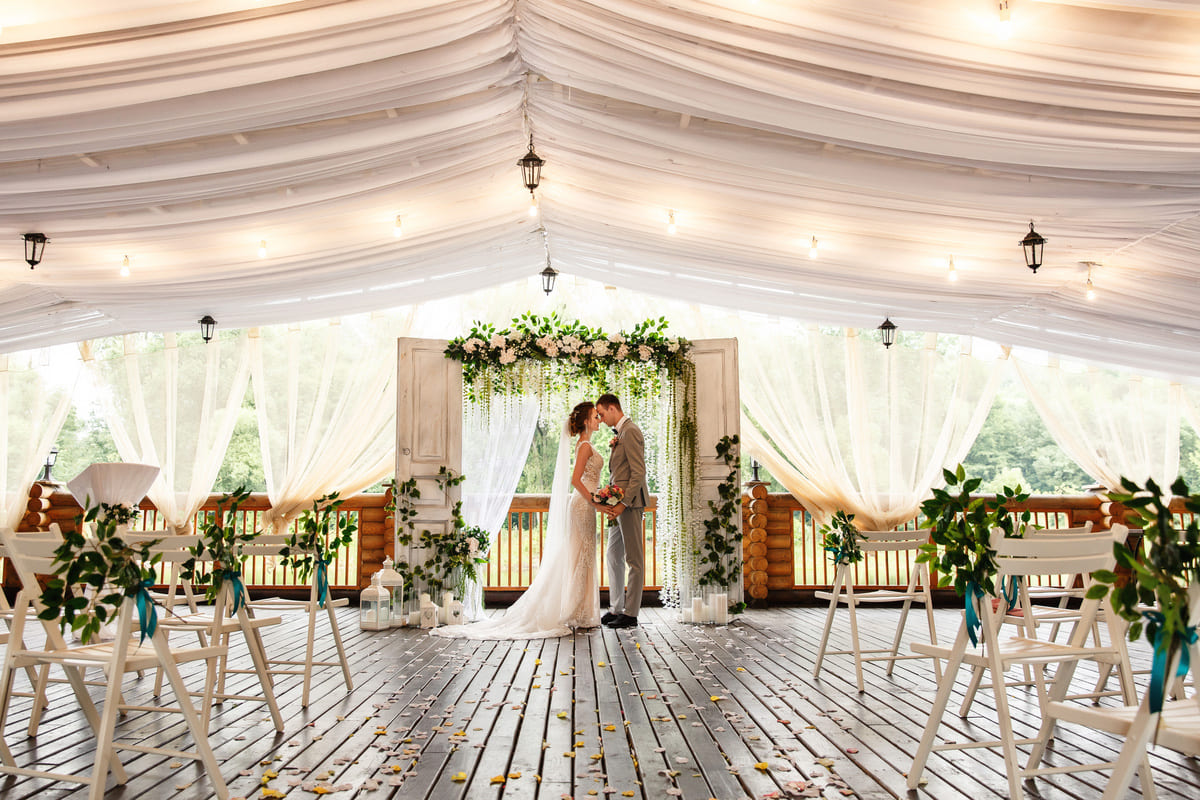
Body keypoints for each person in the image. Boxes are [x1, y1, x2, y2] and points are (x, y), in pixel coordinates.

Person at [431, 401, 603, 639]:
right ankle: (576, 611)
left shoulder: (586, 445)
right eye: (595, 416)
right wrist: (594, 499)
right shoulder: (584, 446)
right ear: (585, 421)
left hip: (586, 504)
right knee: (580, 554)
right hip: (583, 505)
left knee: (583, 553)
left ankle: (582, 610)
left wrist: (597, 498)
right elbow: (575, 480)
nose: (599, 419)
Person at [596, 393, 649, 629]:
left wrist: (623, 503)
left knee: (634, 559)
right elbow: (619, 472)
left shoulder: (631, 431)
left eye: (601, 414)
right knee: (612, 554)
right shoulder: (621, 433)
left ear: (612, 408)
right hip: (617, 504)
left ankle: (631, 613)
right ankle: (616, 607)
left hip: (630, 504)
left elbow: (638, 473)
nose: (601, 419)